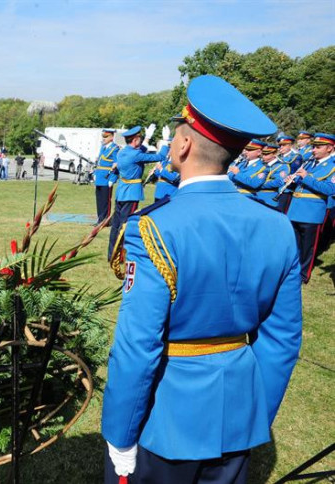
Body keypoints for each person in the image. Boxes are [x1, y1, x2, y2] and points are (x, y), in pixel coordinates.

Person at [103, 74, 301, 484]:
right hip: (237, 414)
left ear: (184, 144)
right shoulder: (277, 227)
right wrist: (252, 413)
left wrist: (120, 436)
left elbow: (138, 346)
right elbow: (282, 340)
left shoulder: (153, 228)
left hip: (167, 421)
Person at [107, 124, 165, 261]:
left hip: (121, 192)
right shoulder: (135, 155)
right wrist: (165, 140)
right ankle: (122, 255)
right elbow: (161, 156)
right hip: (131, 193)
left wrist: (148, 138)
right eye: (140, 138)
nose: (141, 139)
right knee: (126, 224)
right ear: (135, 140)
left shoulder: (122, 152)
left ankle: (112, 254)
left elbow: (139, 153)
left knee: (116, 225)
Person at [285, 133, 335, 284]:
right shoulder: (310, 162)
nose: (313, 150)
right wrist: (291, 180)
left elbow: (330, 189)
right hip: (296, 208)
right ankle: (291, 271)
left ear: (330, 148)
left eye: (318, 147)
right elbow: (300, 182)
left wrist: (306, 177)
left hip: (312, 212)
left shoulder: (332, 166)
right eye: (313, 146)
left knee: (308, 248)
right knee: (294, 244)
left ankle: (303, 275)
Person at [94, 129, 119, 223]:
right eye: (103, 137)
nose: (103, 138)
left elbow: (116, 164)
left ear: (112, 137)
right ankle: (100, 218)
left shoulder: (115, 148)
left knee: (106, 201)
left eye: (106, 137)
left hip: (107, 178)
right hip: (100, 177)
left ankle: (105, 220)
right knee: (99, 200)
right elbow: (99, 163)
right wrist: (95, 174)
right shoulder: (103, 147)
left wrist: (112, 179)